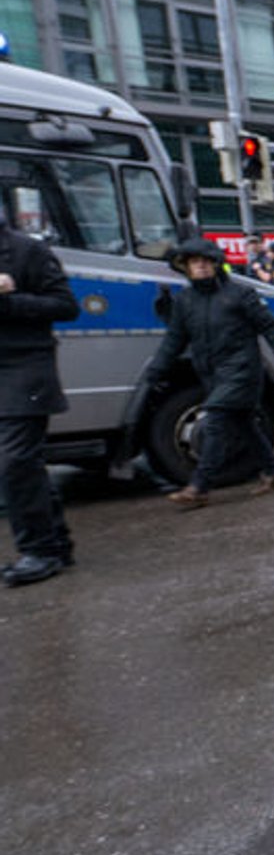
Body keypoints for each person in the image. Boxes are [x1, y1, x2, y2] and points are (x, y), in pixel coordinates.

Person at [143, 238, 274, 509]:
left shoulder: (240, 294)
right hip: (211, 374)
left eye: (204, 261)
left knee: (214, 420)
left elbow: (270, 328)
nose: (199, 266)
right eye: (193, 262)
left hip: (243, 371)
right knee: (244, 425)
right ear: (186, 268)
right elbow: (174, 341)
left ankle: (200, 486)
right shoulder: (185, 301)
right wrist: (156, 370)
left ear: (215, 264)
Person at [0, 211, 80, 587]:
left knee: (14, 461)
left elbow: (66, 305)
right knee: (24, 463)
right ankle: (56, 543)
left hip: (25, 366)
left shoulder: (27, 251)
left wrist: (11, 297)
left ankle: (39, 551)